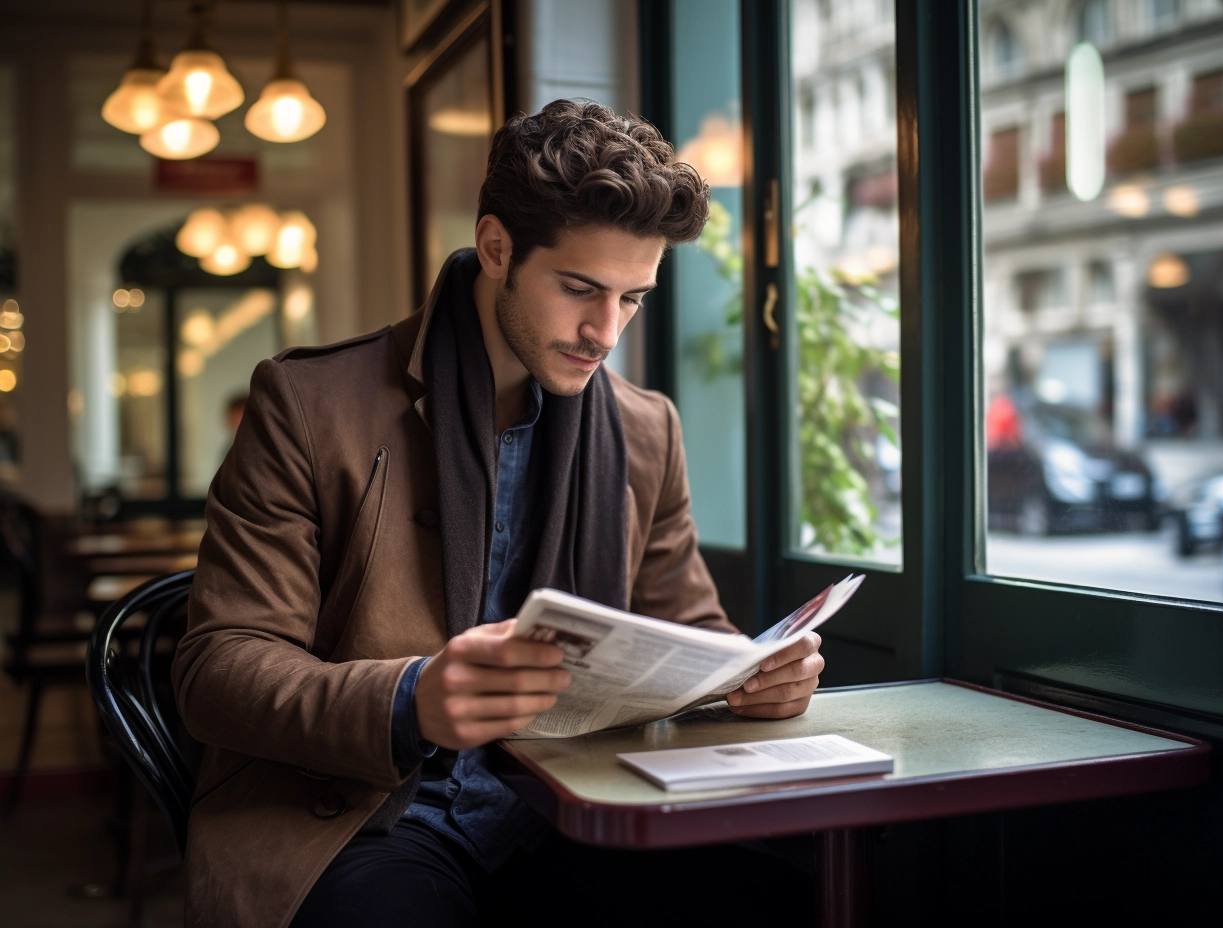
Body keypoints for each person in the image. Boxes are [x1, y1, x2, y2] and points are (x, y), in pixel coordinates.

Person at [172, 100, 825, 928]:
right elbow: (217, 670)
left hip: (573, 803)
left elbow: (692, 633)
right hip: (365, 817)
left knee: (776, 897)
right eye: (581, 289)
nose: (604, 332)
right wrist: (411, 698)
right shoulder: (307, 404)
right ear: (496, 248)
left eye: (633, 300)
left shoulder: (645, 428)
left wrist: (753, 678)